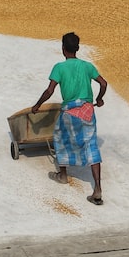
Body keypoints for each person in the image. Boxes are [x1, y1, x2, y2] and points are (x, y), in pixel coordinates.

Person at [32, 32, 108, 205]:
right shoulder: (87, 66)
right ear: (78, 48)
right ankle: (97, 189)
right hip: (88, 110)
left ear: (63, 49)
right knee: (91, 145)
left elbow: (50, 90)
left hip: (70, 111)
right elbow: (103, 83)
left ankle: (63, 175)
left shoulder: (59, 67)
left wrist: (37, 106)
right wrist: (99, 99)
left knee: (61, 139)